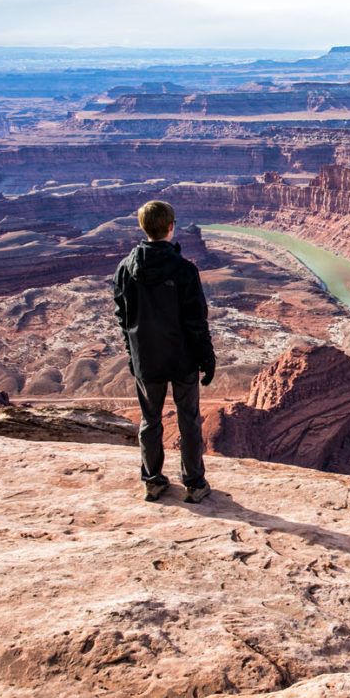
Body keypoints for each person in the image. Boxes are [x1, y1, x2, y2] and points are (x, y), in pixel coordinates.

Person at [113, 200, 216, 503]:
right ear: (171, 226)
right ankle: (195, 484)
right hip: (182, 359)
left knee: (150, 420)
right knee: (189, 420)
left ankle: (153, 481)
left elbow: (122, 317)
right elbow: (197, 321)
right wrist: (207, 359)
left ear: (142, 228)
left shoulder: (125, 269)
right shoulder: (184, 270)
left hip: (147, 359)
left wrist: (132, 352)